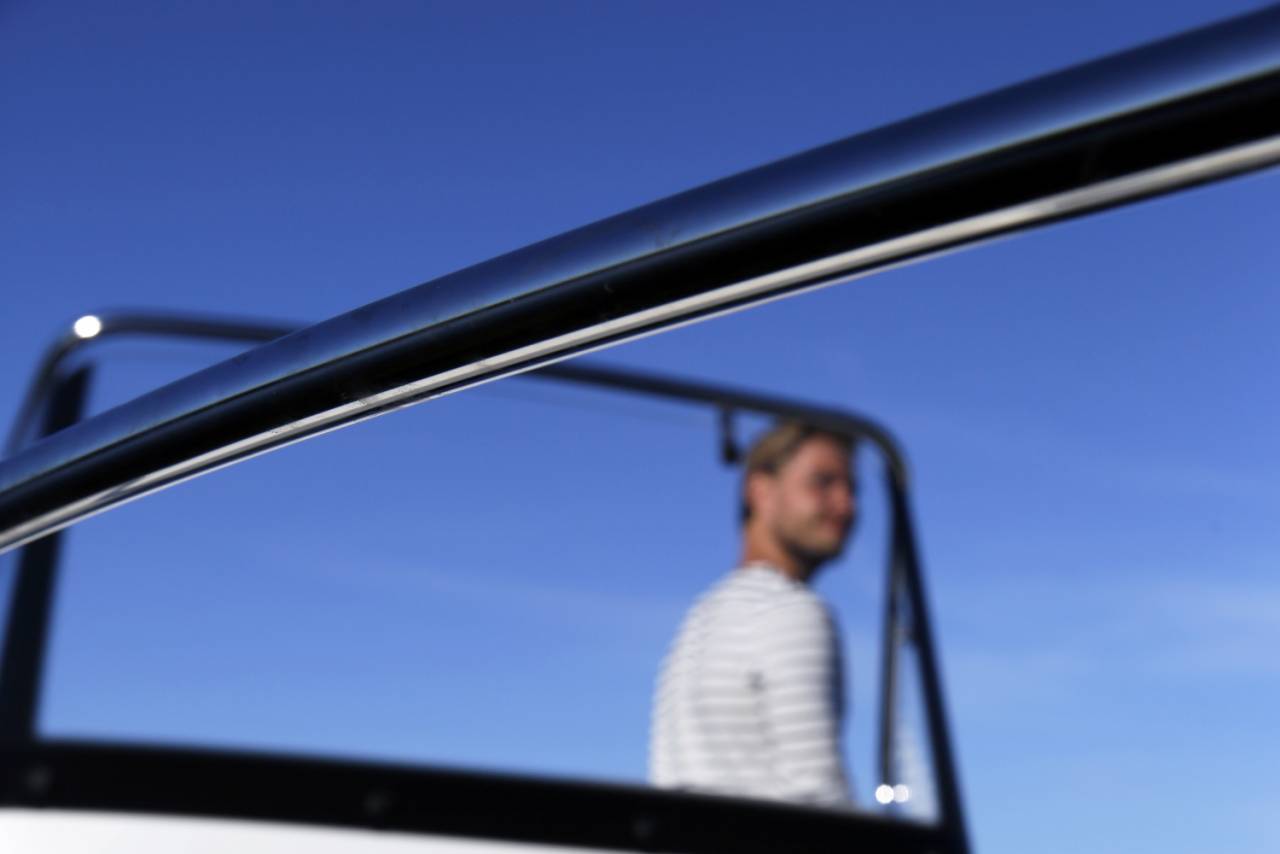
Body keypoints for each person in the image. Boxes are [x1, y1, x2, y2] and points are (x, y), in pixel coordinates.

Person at [649, 421, 858, 807]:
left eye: (852, 489)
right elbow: (821, 801)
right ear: (760, 490)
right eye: (823, 482)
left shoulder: (700, 620)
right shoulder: (789, 610)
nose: (847, 505)